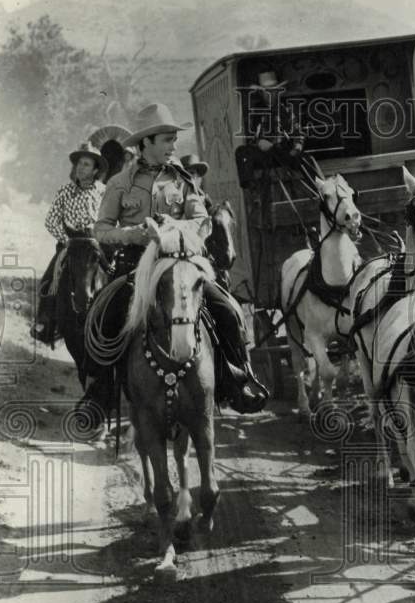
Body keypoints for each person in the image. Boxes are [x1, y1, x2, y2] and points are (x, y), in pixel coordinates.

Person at [85, 102, 269, 424]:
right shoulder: (119, 184)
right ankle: (100, 393)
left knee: (226, 310)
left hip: (183, 264)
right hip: (135, 269)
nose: (173, 146)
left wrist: (173, 233)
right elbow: (101, 230)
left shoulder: (183, 179)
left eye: (173, 139)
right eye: (167, 140)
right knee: (105, 313)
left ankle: (237, 380)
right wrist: (134, 235)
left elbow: (203, 221)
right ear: (147, 143)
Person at [30, 142, 108, 345]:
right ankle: (46, 323)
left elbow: (111, 219)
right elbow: (50, 221)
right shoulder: (65, 191)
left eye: (87, 165)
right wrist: (67, 241)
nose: (81, 168)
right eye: (79, 164)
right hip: (70, 244)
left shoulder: (103, 191)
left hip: (96, 244)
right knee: (49, 278)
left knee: (116, 273)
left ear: (96, 169)